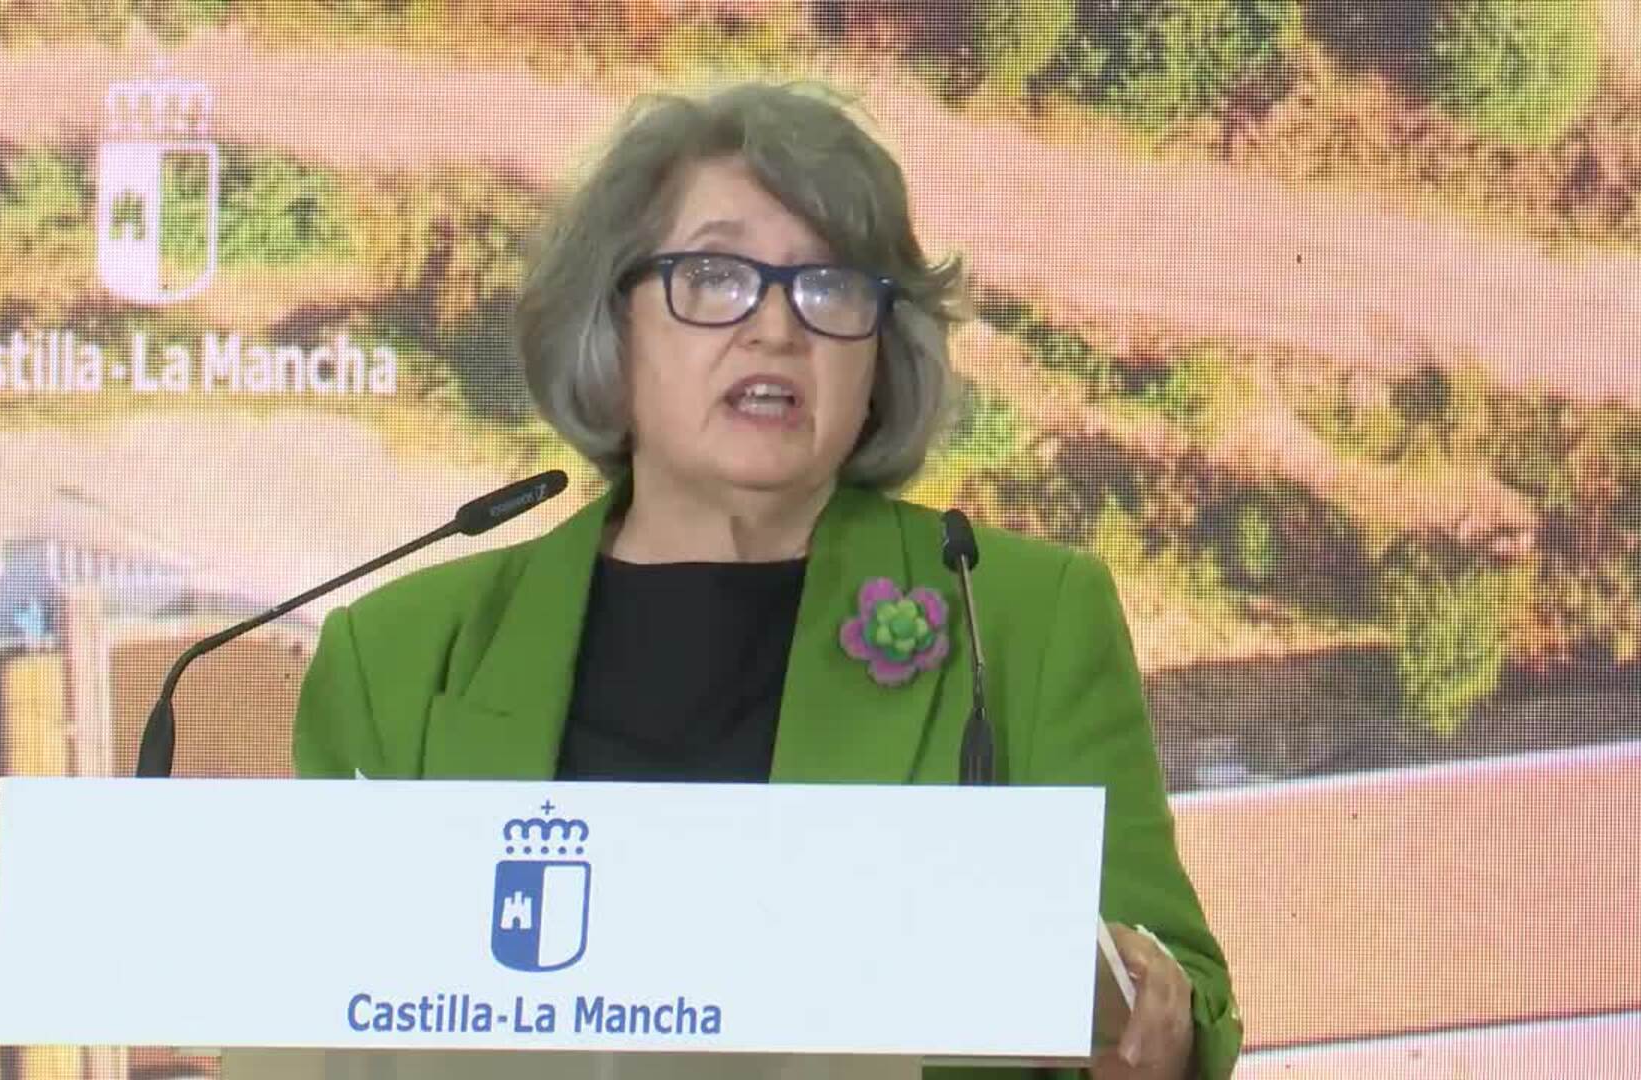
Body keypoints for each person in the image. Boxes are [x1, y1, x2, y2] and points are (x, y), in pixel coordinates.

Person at [294, 81, 1241, 1079]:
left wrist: (1157, 1021)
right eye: (714, 275)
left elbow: (1181, 993)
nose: (778, 329)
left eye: (830, 287)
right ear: (613, 330)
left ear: (880, 357)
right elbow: (318, 1020)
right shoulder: (400, 657)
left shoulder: (1017, 616)